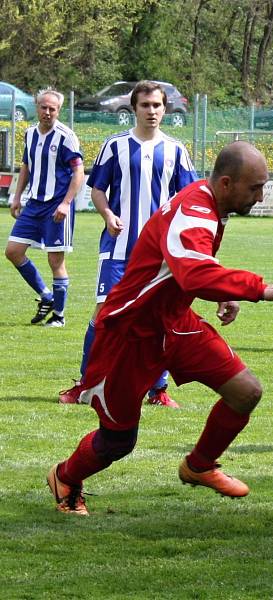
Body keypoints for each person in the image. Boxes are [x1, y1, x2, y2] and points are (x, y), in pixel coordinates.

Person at [47, 141, 273, 515]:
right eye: (255, 188)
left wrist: (219, 293)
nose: (260, 195)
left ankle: (199, 465)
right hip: (131, 333)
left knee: (246, 391)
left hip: (175, 323)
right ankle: (66, 477)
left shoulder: (211, 205)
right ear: (227, 183)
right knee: (118, 441)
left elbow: (190, 265)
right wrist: (258, 288)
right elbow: (194, 271)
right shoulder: (196, 209)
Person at [58, 81, 197, 408]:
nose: (152, 111)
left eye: (157, 105)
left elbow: (188, 198)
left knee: (161, 317)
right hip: (119, 247)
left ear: (165, 109)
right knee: (105, 312)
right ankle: (85, 384)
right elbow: (97, 190)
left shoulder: (176, 150)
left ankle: (157, 389)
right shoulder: (114, 145)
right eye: (145, 105)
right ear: (134, 108)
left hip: (161, 254)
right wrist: (107, 214)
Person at [5, 88, 84, 327]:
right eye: (44, 107)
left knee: (55, 261)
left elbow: (78, 172)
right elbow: (26, 167)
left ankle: (58, 317)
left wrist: (66, 203)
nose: (47, 112)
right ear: (37, 107)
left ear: (58, 111)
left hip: (56, 207)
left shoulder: (66, 136)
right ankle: (46, 295)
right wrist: (17, 197)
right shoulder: (30, 134)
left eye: (53, 109)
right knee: (13, 251)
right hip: (33, 204)